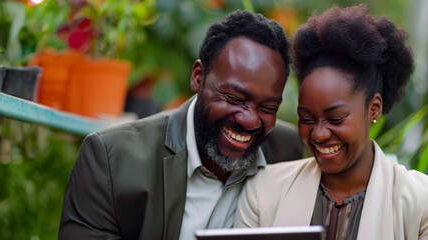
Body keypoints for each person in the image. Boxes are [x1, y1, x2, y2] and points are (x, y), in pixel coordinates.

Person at [59, 10, 303, 240]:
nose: (250, 120)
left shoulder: (285, 151)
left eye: (268, 108)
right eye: (234, 98)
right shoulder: (112, 160)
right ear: (198, 77)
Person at [235, 5, 428, 239]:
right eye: (307, 119)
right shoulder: (263, 191)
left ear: (374, 108)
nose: (319, 134)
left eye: (335, 118)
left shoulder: (426, 205)